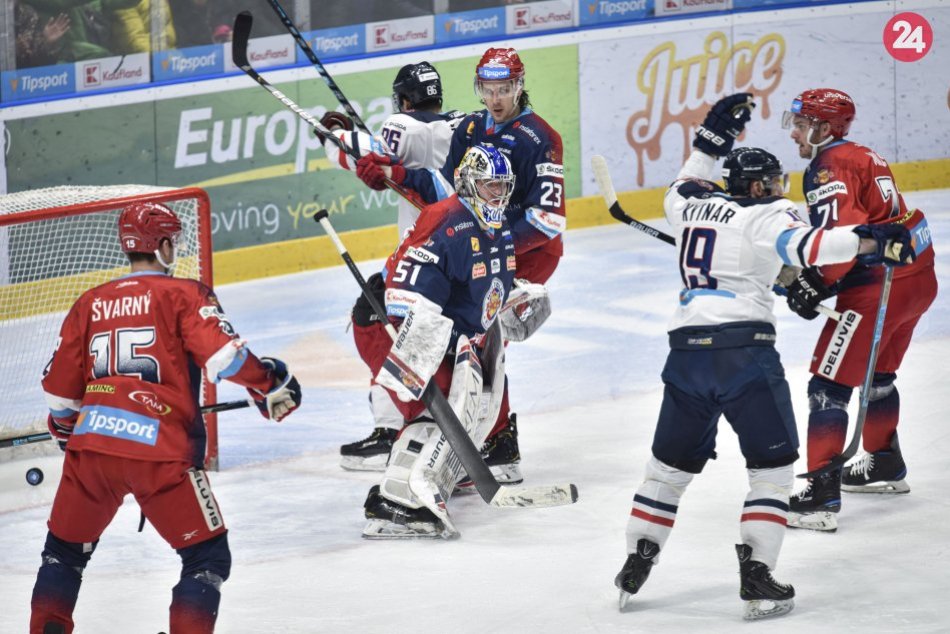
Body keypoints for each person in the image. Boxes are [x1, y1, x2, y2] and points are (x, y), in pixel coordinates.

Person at [613, 94, 915, 620]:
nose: (779, 190)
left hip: (685, 356)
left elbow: (688, 176)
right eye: (772, 183)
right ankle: (757, 575)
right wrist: (873, 239)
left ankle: (638, 558)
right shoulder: (765, 215)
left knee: (665, 471)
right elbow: (812, 247)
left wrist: (712, 136)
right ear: (757, 186)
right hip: (744, 358)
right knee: (772, 471)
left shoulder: (685, 206)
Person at [31, 202, 302, 634]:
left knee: (62, 554)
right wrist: (269, 382)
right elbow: (226, 358)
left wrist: (66, 429)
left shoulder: (90, 302)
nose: (176, 249)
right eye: (173, 242)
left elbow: (60, 395)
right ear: (160, 245)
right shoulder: (184, 294)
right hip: (160, 455)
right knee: (207, 558)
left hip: (91, 453)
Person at [356, 47, 566, 487]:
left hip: (526, 253)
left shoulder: (539, 138)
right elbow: (449, 189)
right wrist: (395, 172)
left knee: (482, 333)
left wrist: (495, 241)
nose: (495, 98)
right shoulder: (471, 126)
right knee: (463, 335)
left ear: (519, 85)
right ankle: (479, 436)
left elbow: (548, 220)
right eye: (487, 89)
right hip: (479, 247)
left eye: (504, 89)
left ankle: (495, 438)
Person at [781, 88, 937, 532]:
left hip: (876, 289)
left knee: (828, 387)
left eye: (801, 123)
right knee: (879, 376)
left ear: (824, 127)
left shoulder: (827, 166)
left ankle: (819, 497)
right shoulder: (864, 154)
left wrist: (818, 281)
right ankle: (884, 462)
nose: (794, 132)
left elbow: (844, 239)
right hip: (917, 279)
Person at [352, 144, 517, 538]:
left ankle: (439, 469)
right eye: (490, 187)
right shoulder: (444, 222)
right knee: (433, 406)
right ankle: (395, 501)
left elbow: (488, 293)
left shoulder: (497, 228)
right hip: (391, 326)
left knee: (471, 404)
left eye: (503, 187)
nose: (499, 195)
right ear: (469, 185)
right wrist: (425, 364)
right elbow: (405, 298)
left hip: (442, 334)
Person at [315, 61, 466, 471]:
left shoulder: (405, 126)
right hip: (462, 256)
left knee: (374, 321)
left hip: (428, 264)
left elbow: (363, 154)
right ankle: (400, 425)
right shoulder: (456, 125)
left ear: (402, 100)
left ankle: (408, 425)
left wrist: (332, 134)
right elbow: (391, 161)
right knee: (392, 321)